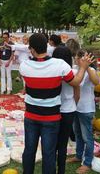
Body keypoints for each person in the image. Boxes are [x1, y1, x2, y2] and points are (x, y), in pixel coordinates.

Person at [19, 33, 93, 174]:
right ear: (47, 45)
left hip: (31, 116)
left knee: (29, 150)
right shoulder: (60, 65)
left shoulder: (24, 66)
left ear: (32, 49)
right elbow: (76, 82)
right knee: (49, 153)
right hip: (51, 118)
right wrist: (83, 67)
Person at [67, 49, 100, 174]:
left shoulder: (91, 71)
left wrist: (86, 68)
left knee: (87, 137)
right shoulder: (75, 69)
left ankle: (87, 163)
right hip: (75, 107)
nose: (75, 59)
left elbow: (96, 82)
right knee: (77, 134)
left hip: (86, 109)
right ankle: (78, 155)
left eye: (77, 57)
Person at [52, 46, 79, 174]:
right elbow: (76, 93)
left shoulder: (51, 71)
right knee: (63, 143)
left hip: (53, 109)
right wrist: (74, 105)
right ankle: (61, 171)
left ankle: (50, 168)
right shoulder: (72, 73)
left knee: (52, 143)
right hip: (68, 109)